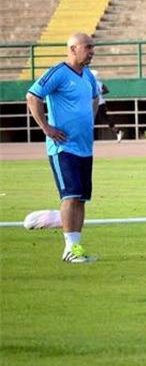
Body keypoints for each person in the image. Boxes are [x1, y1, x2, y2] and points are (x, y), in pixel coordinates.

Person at [26, 33, 99, 263]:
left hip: (85, 147)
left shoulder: (88, 75)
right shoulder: (58, 72)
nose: (92, 51)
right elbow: (33, 96)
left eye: (92, 47)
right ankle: (69, 249)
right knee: (71, 195)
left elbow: (95, 98)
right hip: (63, 147)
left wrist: (88, 120)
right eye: (88, 47)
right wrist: (46, 127)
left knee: (80, 198)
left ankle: (76, 247)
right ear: (73, 49)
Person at [90, 70, 123, 142]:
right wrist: (100, 93)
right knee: (105, 119)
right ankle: (117, 131)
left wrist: (98, 93)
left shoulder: (90, 83)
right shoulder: (99, 83)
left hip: (96, 104)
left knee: (92, 120)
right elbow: (106, 90)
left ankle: (117, 131)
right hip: (99, 103)